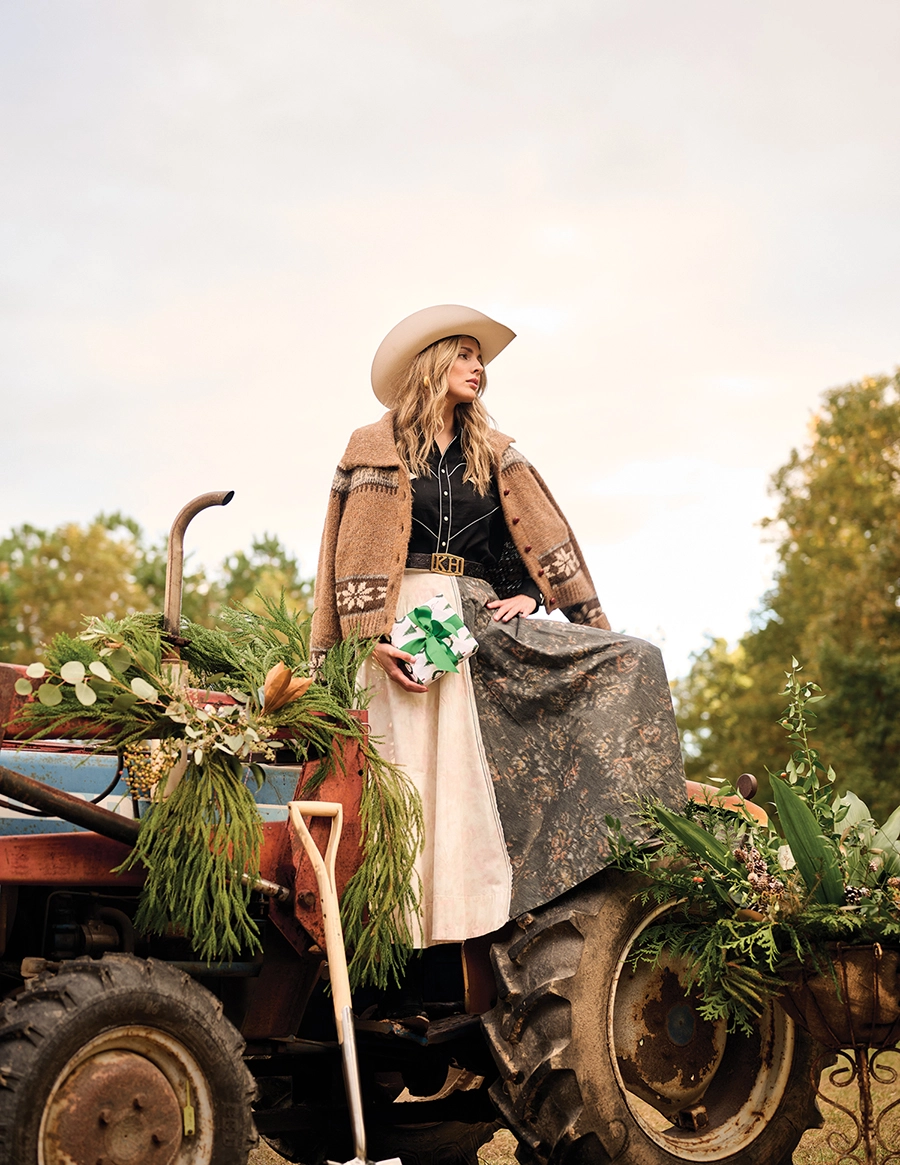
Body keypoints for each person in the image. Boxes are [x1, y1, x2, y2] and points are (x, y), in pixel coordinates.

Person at [312, 305, 684, 948]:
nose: (478, 367)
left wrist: (522, 594)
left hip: (475, 622)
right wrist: (363, 638)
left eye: (479, 358)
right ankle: (392, 938)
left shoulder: (498, 454)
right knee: (406, 776)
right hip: (395, 620)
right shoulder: (368, 449)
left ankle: (475, 926)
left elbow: (533, 540)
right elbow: (336, 552)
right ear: (431, 366)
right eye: (463, 355)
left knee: (630, 659)